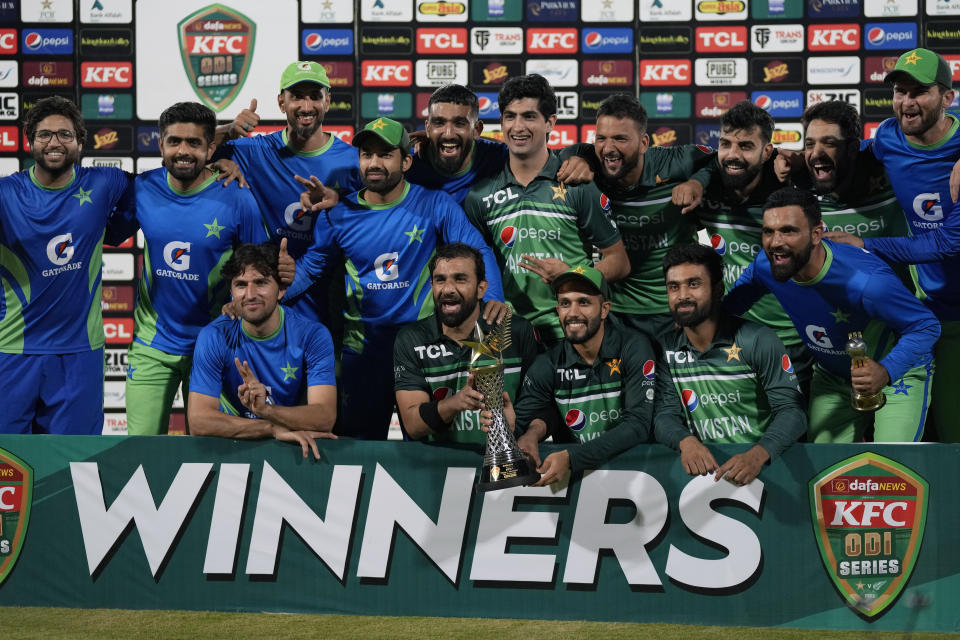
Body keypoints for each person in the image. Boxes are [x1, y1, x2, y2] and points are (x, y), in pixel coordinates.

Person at [290, 117, 505, 440]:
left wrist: (493, 300)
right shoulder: (337, 214)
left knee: (429, 450)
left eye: (385, 155)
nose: (374, 163)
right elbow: (310, 269)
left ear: (406, 161)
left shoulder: (434, 204)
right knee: (356, 452)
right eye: (366, 154)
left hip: (424, 351)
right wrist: (268, 292)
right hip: (363, 352)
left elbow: (478, 250)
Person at [726, 187, 940, 443]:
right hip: (832, 377)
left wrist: (886, 371)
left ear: (817, 234)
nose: (775, 243)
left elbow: (926, 326)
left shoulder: (867, 282)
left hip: (896, 374)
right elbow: (730, 307)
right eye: (768, 232)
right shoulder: (767, 265)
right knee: (823, 474)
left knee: (892, 468)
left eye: (788, 231)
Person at [825, 48, 960, 441]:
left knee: (953, 437)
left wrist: (865, 243)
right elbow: (852, 157)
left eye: (919, 92)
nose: (907, 102)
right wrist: (793, 162)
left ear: (947, 98)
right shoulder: (887, 137)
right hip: (925, 309)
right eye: (901, 91)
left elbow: (948, 244)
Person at [126, 102, 268, 435]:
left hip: (215, 345)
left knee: (211, 454)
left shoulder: (237, 196)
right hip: (151, 346)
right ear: (160, 145)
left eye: (194, 143)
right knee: (139, 455)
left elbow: (260, 266)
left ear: (210, 148)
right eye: (174, 141)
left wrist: (242, 300)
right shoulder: (142, 189)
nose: (183, 151)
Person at [0, 96, 134, 434]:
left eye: (65, 134)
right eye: (44, 134)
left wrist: (222, 154)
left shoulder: (106, 184)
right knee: (7, 464)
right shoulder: (5, 194)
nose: (55, 142)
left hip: (80, 353)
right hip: (12, 351)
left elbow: (169, 183)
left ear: (79, 142)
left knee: (74, 466)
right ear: (29, 140)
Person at [464, 74, 630, 344]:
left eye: (529, 116)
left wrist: (572, 277)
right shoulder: (479, 196)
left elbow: (619, 261)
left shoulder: (578, 184)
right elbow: (476, 268)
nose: (518, 127)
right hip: (509, 334)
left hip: (574, 330)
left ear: (550, 122)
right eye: (510, 116)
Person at [214, 61, 363, 323]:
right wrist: (227, 132)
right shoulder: (255, 151)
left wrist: (338, 199)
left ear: (327, 102)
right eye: (296, 97)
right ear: (282, 103)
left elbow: (379, 209)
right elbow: (187, 155)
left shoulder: (353, 161)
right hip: (258, 300)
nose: (306, 107)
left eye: (315, 97)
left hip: (324, 307)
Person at [558, 93, 715, 337]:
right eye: (601, 138)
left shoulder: (674, 163)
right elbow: (555, 157)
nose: (608, 149)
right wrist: (573, 159)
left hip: (675, 312)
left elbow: (720, 160)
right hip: (615, 315)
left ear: (644, 143)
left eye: (620, 139)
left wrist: (698, 182)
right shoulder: (586, 160)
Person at [654, 243, 806, 485]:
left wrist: (757, 455)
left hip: (763, 471)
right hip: (705, 474)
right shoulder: (665, 349)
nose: (682, 296)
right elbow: (664, 415)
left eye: (693, 284)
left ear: (718, 289)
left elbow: (792, 412)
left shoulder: (758, 339)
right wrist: (686, 441)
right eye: (674, 287)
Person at [696, 100, 814, 393]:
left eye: (745, 146)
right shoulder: (705, 182)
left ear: (767, 152)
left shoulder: (788, 190)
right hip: (731, 336)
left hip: (791, 339)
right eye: (725, 144)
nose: (732, 155)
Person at [510, 266, 659, 486]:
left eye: (584, 302)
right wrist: (519, 431)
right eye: (565, 303)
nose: (573, 313)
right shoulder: (547, 363)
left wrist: (572, 458)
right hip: (580, 484)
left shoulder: (633, 347)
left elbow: (638, 425)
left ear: (605, 309)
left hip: (642, 475)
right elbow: (525, 422)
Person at [189, 243, 336, 459]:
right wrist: (271, 427)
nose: (250, 294)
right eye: (240, 285)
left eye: (261, 283)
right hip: (233, 451)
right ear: (231, 291)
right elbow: (199, 421)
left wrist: (267, 411)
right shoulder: (214, 336)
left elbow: (324, 417)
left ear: (282, 290)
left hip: (295, 451)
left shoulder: (313, 335)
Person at [394, 242, 539, 443]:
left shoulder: (516, 330)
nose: (448, 289)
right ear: (431, 286)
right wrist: (456, 403)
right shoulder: (411, 339)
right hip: (442, 467)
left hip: (506, 463)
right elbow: (412, 424)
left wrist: (519, 426)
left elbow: (539, 404)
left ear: (481, 289)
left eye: (460, 279)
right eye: (440, 280)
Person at [406, 84, 593, 203]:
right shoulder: (406, 166)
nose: (448, 133)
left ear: (476, 130)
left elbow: (546, 157)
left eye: (459, 123)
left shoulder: (496, 156)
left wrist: (581, 158)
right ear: (428, 128)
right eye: (439, 123)